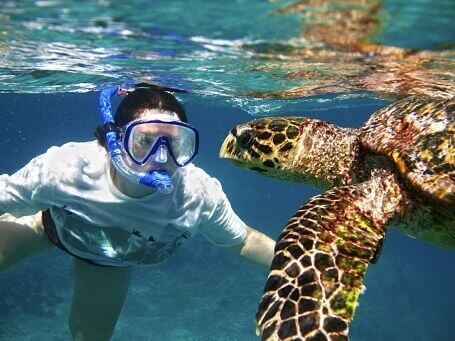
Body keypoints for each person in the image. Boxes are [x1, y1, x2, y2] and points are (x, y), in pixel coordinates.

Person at [0, 84, 275, 341]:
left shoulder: (196, 195)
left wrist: (311, 267)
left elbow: (244, 240)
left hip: (108, 263)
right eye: (144, 141)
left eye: (175, 143)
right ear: (115, 142)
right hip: (47, 229)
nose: (161, 157)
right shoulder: (67, 169)